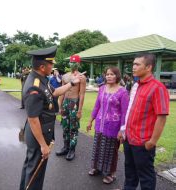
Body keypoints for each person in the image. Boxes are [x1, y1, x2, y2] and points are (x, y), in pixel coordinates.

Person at [19, 46, 83, 190]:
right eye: (51, 64)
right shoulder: (34, 87)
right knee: (36, 172)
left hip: (42, 132)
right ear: (42, 66)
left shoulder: (41, 79)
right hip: (38, 135)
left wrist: (72, 83)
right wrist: (43, 145)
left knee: (31, 166)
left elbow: (54, 93)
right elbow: (33, 119)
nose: (53, 66)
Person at [121, 53, 169, 190]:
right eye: (133, 64)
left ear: (148, 67)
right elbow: (130, 109)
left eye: (137, 64)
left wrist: (152, 141)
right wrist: (123, 129)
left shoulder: (157, 88)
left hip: (143, 142)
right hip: (129, 138)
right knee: (130, 172)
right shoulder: (136, 85)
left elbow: (162, 117)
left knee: (146, 177)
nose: (133, 67)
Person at [86, 66, 129, 184]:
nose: (109, 76)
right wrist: (90, 120)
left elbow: (125, 113)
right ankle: (97, 167)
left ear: (117, 76)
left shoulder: (123, 92)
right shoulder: (102, 88)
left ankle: (111, 173)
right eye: (107, 74)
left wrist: (122, 130)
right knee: (98, 147)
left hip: (113, 127)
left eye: (112, 74)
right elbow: (96, 106)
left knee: (111, 150)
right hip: (100, 124)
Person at [55, 55, 86, 161]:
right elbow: (62, 91)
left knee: (73, 127)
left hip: (74, 103)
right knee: (65, 126)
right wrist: (60, 105)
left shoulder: (81, 77)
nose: (72, 64)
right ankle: (65, 147)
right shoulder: (65, 76)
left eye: (74, 62)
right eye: (71, 62)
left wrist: (80, 110)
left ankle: (72, 149)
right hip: (65, 103)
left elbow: (82, 94)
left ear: (78, 64)